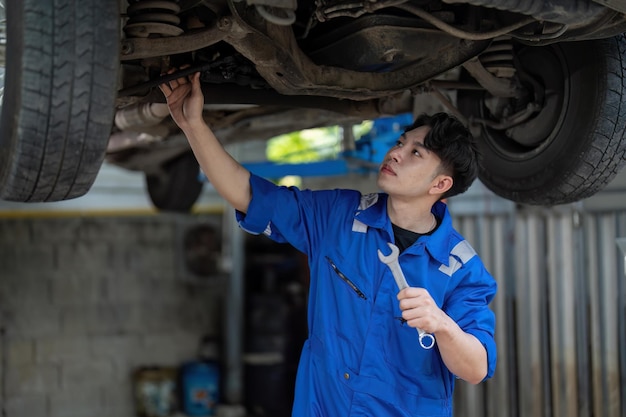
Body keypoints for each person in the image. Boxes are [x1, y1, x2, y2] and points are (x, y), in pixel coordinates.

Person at [160, 70, 497, 417]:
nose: (396, 153)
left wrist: (442, 324)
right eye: (400, 143)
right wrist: (193, 125)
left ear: (440, 184)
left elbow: (475, 367)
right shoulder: (339, 216)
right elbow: (249, 196)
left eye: (416, 153)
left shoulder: (460, 268)